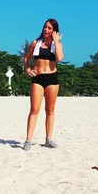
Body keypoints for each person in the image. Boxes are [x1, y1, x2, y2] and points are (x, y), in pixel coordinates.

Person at [22, 18, 64, 151]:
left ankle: (48, 139)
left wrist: (56, 42)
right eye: (45, 27)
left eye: (49, 28)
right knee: (34, 110)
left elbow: (59, 58)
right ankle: (28, 140)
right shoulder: (36, 43)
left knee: (50, 110)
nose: (46, 30)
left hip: (52, 79)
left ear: (54, 31)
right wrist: (27, 69)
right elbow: (26, 59)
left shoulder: (57, 44)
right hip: (38, 79)